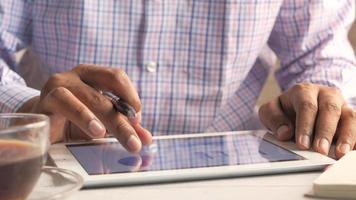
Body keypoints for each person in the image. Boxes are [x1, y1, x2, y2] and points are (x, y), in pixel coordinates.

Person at [1, 1, 355, 159]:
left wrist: (322, 100)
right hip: (65, 168)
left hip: (237, 178)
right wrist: (28, 113)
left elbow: (319, 48)